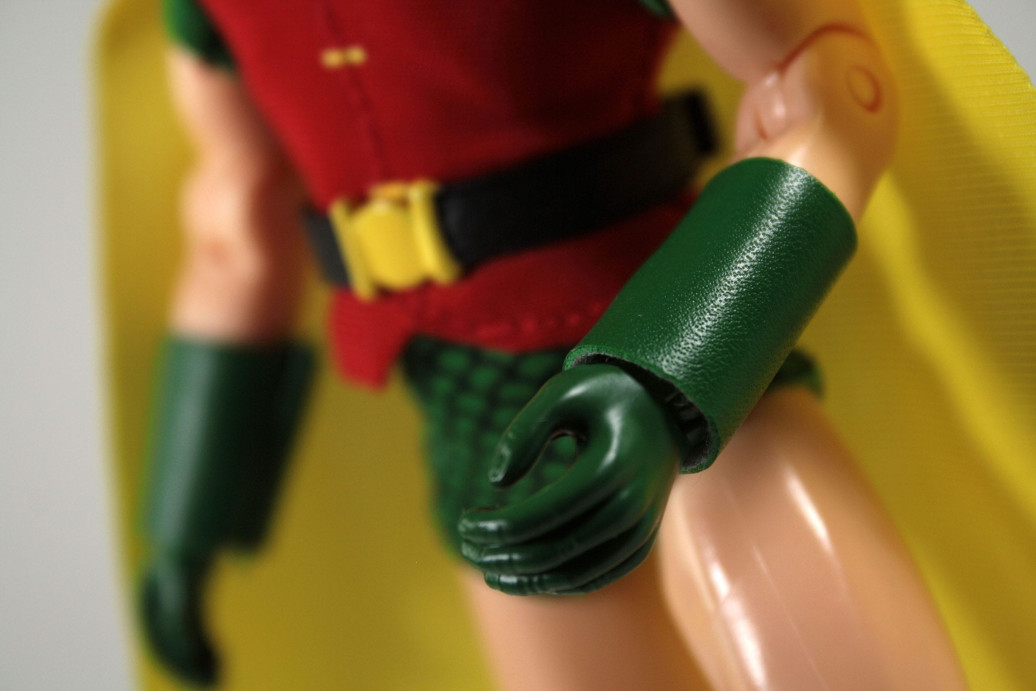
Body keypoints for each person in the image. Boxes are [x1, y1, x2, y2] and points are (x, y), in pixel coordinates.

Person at [137, 0, 967, 687]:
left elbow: (829, 87)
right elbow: (235, 218)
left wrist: (673, 368)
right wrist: (188, 521)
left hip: (688, 355)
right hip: (480, 429)